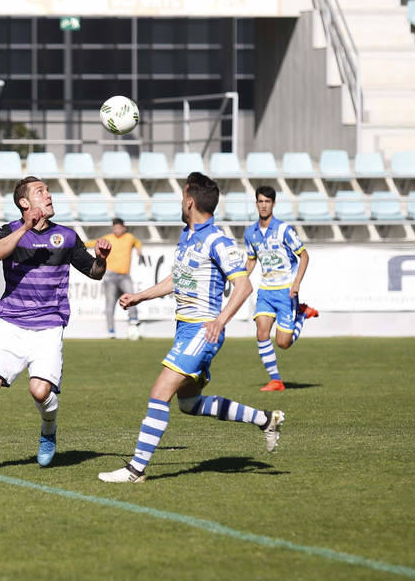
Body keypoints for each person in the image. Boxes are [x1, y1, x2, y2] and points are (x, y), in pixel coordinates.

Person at [99, 172, 284, 484]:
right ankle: (266, 419)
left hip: (202, 330)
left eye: (181, 196)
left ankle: (136, 470)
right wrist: (141, 296)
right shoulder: (188, 236)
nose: (179, 201)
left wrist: (220, 321)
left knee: (159, 393)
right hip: (186, 329)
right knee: (188, 403)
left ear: (189, 201)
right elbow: (177, 279)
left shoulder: (217, 240)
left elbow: (243, 286)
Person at [0, 176, 111, 473]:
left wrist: (102, 259)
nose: (49, 195)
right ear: (24, 203)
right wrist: (27, 227)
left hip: (49, 325)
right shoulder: (8, 231)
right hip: (10, 323)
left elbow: (94, 272)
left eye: (49, 190)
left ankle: (48, 430)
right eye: (41, 192)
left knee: (40, 392)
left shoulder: (66, 236)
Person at [244, 185, 319, 392]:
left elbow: (304, 255)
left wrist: (297, 283)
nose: (264, 205)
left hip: (286, 291)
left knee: (283, 343)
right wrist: (239, 279)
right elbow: (251, 261)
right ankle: (276, 380)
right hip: (266, 291)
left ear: (273, 204)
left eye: (267, 202)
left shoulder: (284, 229)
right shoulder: (250, 233)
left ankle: (302, 314)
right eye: (260, 201)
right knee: (261, 333)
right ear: (256, 203)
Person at [85, 218, 143, 340]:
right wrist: (79, 245)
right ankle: (111, 331)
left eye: (118, 227)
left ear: (123, 228)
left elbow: (138, 242)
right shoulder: (108, 238)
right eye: (114, 228)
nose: (116, 230)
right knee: (110, 303)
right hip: (110, 276)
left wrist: (138, 249)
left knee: (132, 298)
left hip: (124, 276)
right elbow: (93, 243)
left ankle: (134, 324)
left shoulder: (129, 237)